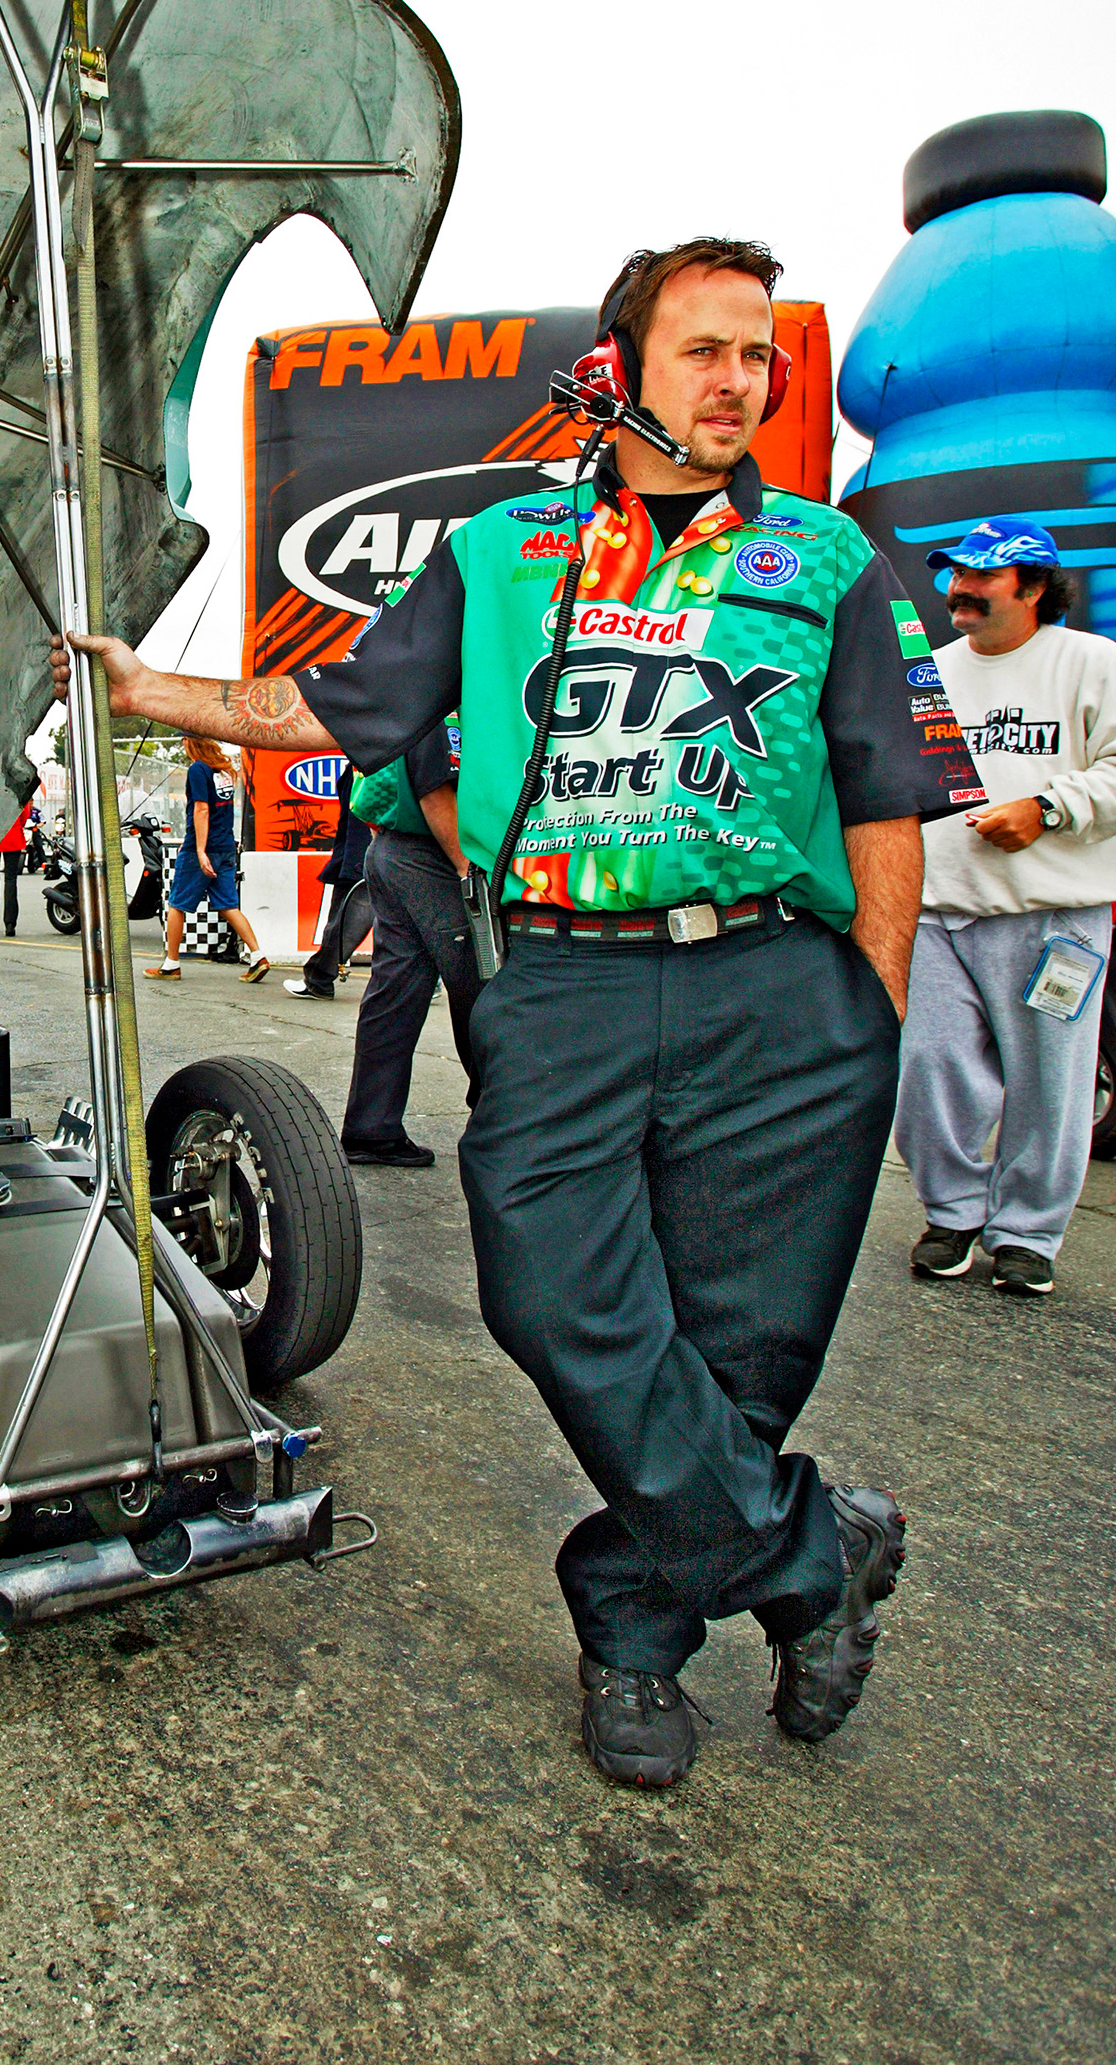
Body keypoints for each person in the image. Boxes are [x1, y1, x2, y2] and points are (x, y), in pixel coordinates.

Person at [58, 237, 980, 1788]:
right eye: (705, 351)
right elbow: (340, 708)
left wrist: (872, 1019)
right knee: (552, 1299)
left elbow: (889, 798)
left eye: (756, 355)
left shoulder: (827, 560)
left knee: (743, 1349)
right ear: (623, 372)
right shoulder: (503, 551)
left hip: (781, 988)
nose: (739, 382)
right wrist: (155, 695)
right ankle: (818, 1554)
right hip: (566, 973)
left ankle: (632, 1640)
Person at [894, 519, 1116, 1297]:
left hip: (1052, 917)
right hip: (937, 912)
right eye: (955, 574)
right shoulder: (930, 671)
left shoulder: (1092, 664)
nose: (959, 589)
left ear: (1032, 588)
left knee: (1049, 1081)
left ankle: (1026, 1232)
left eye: (982, 578)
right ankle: (951, 1212)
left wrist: (1049, 808)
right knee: (927, 1066)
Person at [333, 716, 481, 1170]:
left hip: (396, 849)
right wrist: (467, 870)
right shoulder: (445, 708)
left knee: (395, 992)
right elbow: (433, 788)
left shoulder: (412, 699)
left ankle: (372, 1127)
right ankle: (506, 1115)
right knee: (480, 983)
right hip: (432, 854)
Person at [145, 735, 268, 983]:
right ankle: (258, 956)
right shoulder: (222, 770)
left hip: (200, 847)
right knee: (227, 905)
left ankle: (171, 964)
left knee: (177, 905)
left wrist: (200, 851)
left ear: (190, 743)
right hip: (225, 845)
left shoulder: (198, 770)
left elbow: (202, 809)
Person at [283, 764, 373, 1001]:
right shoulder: (362, 764)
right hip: (362, 852)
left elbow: (362, 815)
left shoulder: (366, 765)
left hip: (361, 854)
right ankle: (430, 979)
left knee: (346, 920)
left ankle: (318, 979)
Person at [0, 805, 28, 936]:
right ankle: (10, 923)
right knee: (10, 880)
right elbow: (24, 814)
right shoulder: (18, 787)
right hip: (13, 835)